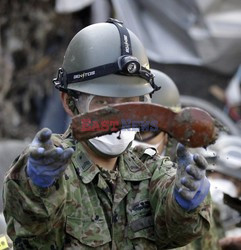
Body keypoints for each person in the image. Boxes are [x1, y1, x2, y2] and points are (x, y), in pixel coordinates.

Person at [3, 19, 212, 249]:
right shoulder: (55, 168)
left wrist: (185, 202)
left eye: (130, 103)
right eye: (102, 103)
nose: (118, 118)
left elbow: (177, 232)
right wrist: (37, 188)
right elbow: (30, 230)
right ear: (70, 103)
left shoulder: (151, 170)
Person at [133, 69, 222, 250]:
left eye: (143, 131)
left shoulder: (187, 187)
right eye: (126, 129)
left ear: (168, 135)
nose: (133, 140)